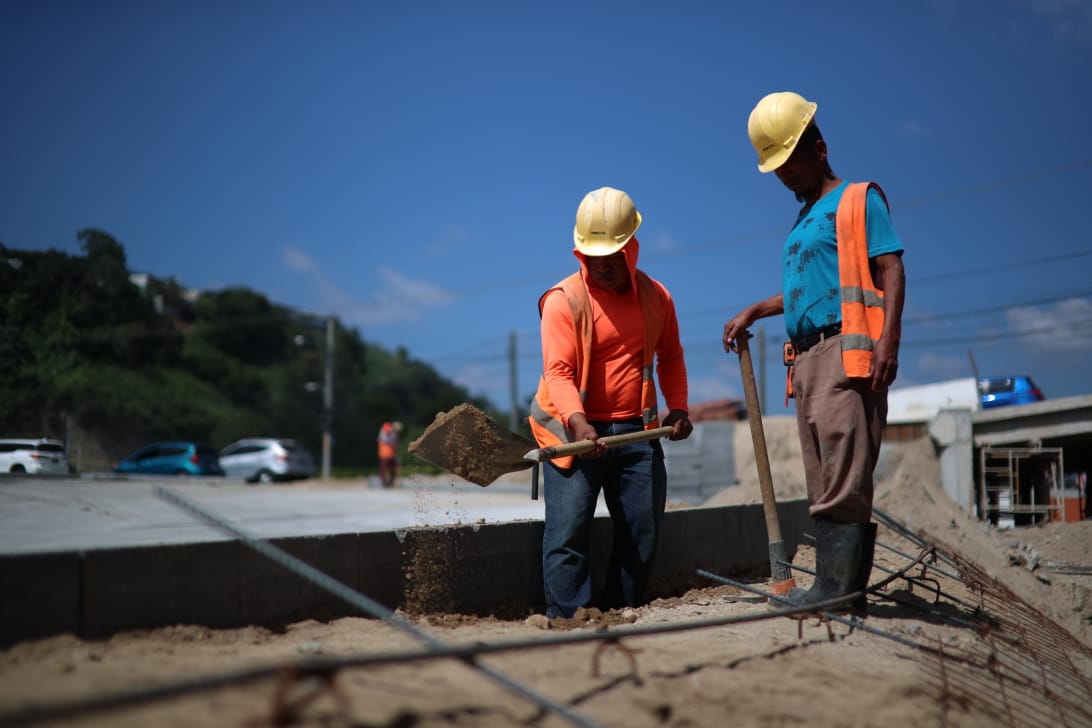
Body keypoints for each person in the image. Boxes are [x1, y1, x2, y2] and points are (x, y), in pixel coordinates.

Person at [722, 92, 906, 611]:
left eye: (788, 165)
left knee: (844, 473)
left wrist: (889, 338)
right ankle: (838, 588)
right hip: (805, 361)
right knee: (823, 475)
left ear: (820, 149)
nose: (784, 177)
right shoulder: (805, 220)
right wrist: (757, 310)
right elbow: (810, 289)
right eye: (776, 169)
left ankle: (836, 589)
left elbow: (890, 269)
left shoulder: (858, 200)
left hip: (846, 354)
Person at [529, 186, 694, 619]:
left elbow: (671, 356)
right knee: (568, 531)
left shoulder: (657, 298)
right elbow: (559, 373)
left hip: (637, 433)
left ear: (633, 247)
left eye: (612, 254)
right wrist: (578, 423)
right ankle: (569, 618)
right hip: (574, 433)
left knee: (642, 530)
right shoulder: (562, 302)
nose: (601, 265)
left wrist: (677, 407)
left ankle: (620, 612)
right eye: (592, 256)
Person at [377, 421, 402, 488]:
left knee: (392, 470)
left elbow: (395, 445)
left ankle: (390, 483)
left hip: (392, 455)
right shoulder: (384, 434)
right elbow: (388, 440)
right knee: (384, 470)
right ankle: (384, 483)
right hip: (384, 455)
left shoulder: (393, 435)